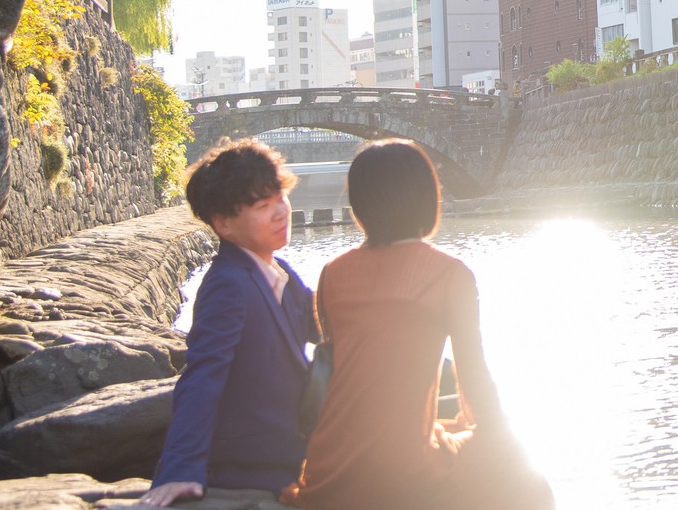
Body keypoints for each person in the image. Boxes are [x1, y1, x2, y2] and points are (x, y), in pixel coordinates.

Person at [282, 140, 551, 510]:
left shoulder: (332, 273)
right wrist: (496, 439)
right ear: (428, 197)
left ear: (360, 205)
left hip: (327, 470)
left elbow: (353, 376)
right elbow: (473, 378)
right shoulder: (449, 274)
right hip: (404, 475)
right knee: (530, 479)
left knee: (449, 432)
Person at [140, 140, 316, 506]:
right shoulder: (228, 283)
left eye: (280, 197)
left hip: (290, 453)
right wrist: (179, 471)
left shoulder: (278, 272)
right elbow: (202, 376)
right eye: (262, 206)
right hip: (251, 469)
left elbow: (326, 324)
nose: (281, 212)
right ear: (223, 224)